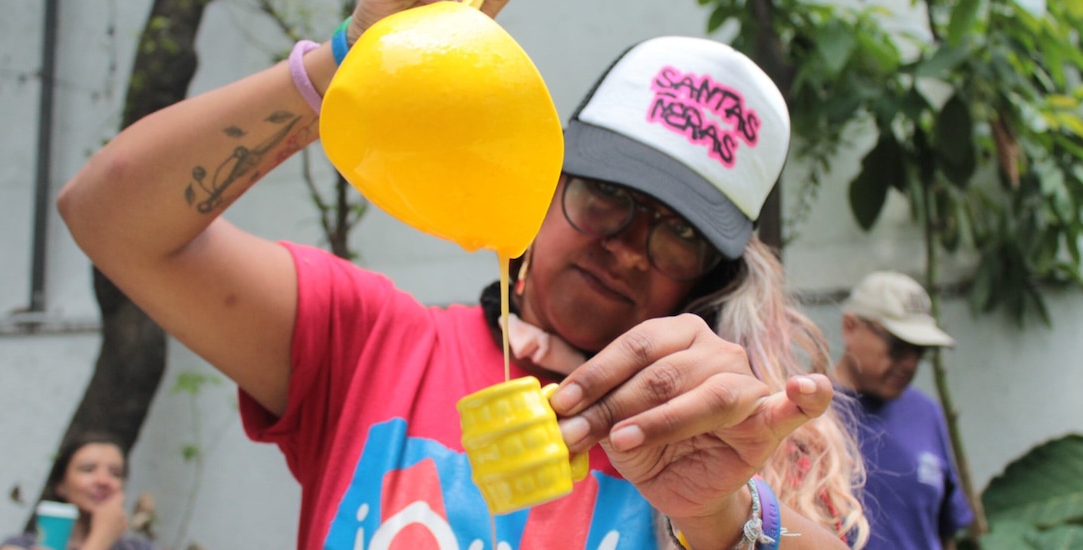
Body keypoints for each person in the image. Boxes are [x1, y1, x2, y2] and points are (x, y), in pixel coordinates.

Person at [57, 1, 868, 548]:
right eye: (608, 198)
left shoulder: (738, 438)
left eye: (677, 235)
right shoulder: (374, 344)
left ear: (709, 280)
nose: (628, 248)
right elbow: (108, 215)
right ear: (543, 186)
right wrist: (345, 64)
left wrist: (722, 515)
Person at [832, 271, 974, 549]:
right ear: (850, 327)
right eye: (898, 346)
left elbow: (946, 530)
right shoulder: (806, 412)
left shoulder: (926, 414)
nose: (910, 364)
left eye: (920, 351)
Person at [0, 432, 156, 550]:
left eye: (115, 473)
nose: (103, 481)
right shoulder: (20, 546)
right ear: (60, 484)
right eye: (88, 469)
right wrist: (100, 540)